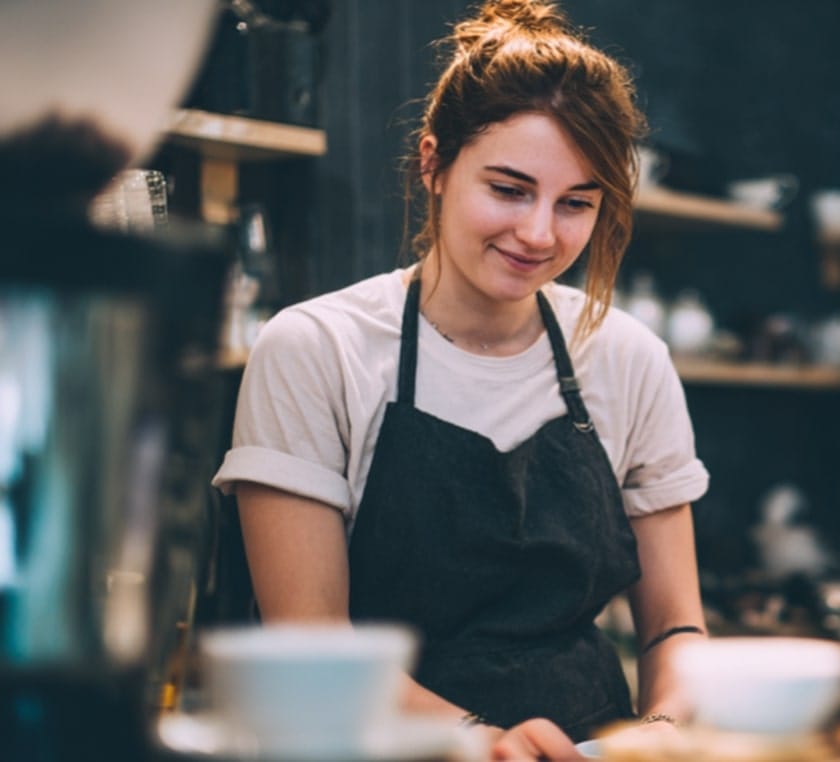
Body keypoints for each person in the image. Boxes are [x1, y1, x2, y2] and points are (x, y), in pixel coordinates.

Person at [211, 1, 710, 757]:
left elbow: (675, 625)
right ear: (433, 163)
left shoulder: (627, 358)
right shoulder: (318, 349)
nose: (540, 233)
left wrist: (664, 732)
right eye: (509, 189)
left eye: (576, 204)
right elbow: (312, 648)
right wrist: (481, 742)